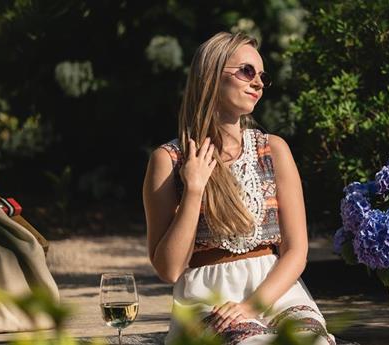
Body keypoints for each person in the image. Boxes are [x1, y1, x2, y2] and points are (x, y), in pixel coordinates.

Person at [142, 32, 336, 345]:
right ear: (210, 77)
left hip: (276, 292)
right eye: (246, 71)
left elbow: (296, 250)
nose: (258, 82)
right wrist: (193, 189)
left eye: (262, 75)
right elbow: (169, 269)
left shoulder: (274, 150)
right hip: (209, 299)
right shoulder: (169, 160)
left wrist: (251, 306)